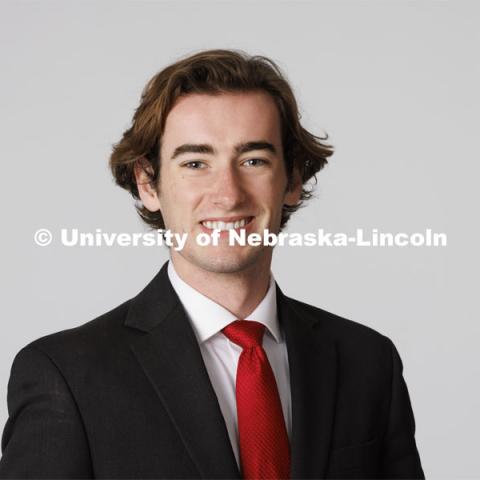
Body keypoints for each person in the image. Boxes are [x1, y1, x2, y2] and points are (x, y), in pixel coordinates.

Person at [0, 49, 424, 479]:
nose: (228, 193)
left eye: (253, 160)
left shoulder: (368, 362)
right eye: (195, 163)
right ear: (148, 184)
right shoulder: (67, 375)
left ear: (293, 180)